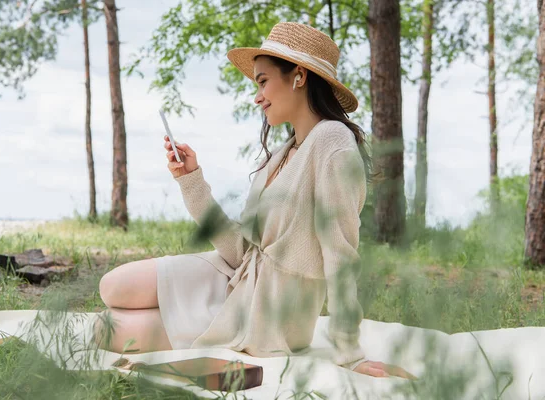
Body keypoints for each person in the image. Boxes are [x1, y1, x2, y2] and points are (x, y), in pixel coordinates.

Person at [95, 22, 415, 380]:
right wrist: (191, 179)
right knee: (111, 287)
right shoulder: (283, 153)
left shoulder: (333, 142)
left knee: (104, 330)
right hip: (233, 279)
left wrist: (350, 353)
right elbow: (240, 252)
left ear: (299, 76)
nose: (257, 95)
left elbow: (340, 254)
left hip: (267, 315)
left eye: (263, 81)